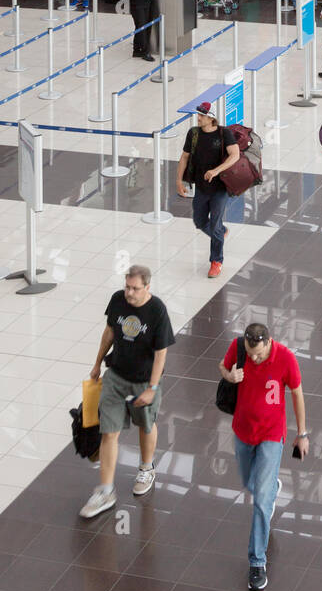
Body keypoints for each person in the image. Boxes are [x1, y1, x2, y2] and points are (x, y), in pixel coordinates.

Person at [79, 264, 175, 518]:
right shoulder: (117, 301)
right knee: (109, 432)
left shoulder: (157, 311)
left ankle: (146, 467)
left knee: (146, 424)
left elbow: (161, 354)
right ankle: (106, 490)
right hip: (115, 378)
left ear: (147, 287)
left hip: (143, 382)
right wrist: (97, 363)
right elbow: (110, 331)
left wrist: (153, 388)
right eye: (127, 287)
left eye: (135, 288)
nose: (129, 293)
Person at [218, 322, 308, 591]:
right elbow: (222, 366)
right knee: (250, 483)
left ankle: (257, 562)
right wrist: (229, 376)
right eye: (250, 353)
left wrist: (302, 433)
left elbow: (297, 395)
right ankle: (271, 490)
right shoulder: (238, 348)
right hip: (243, 431)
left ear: (269, 342)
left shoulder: (286, 358)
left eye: (258, 354)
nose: (253, 359)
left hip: (271, 435)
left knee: (259, 502)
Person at [176, 102, 239, 278]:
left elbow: (235, 155)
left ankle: (216, 261)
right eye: (198, 115)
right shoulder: (194, 133)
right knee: (199, 221)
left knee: (215, 225)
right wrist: (178, 180)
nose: (198, 118)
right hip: (201, 187)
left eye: (202, 115)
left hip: (220, 188)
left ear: (211, 117)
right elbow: (184, 157)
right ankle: (221, 231)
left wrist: (216, 171)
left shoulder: (223, 133)